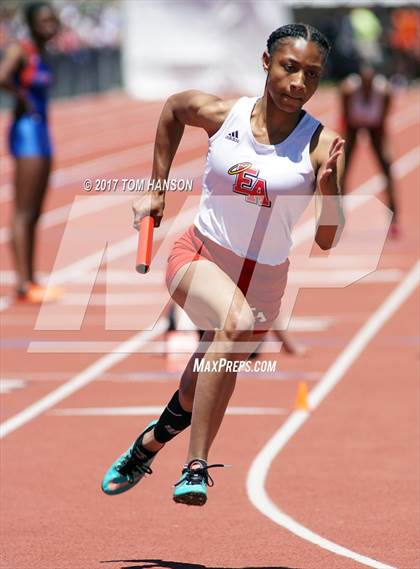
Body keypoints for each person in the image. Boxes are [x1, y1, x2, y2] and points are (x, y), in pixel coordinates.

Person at [102, 23, 345, 506]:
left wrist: (330, 188)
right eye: (289, 67)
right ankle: (195, 466)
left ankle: (147, 445)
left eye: (312, 75)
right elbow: (174, 108)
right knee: (230, 325)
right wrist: (157, 188)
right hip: (200, 254)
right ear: (266, 63)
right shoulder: (222, 114)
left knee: (196, 390)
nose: (299, 83)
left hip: (265, 286)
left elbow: (328, 238)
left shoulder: (322, 144)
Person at [0, 2, 62, 302]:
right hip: (27, 133)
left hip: (42, 131)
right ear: (31, 23)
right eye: (44, 20)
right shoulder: (21, 49)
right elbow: (2, 76)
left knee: (35, 210)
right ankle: (23, 283)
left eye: (53, 19)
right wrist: (20, 96)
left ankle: (32, 278)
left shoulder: (42, 51)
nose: (51, 24)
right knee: (24, 210)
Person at [339, 62, 398, 237]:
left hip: (375, 126)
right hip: (353, 125)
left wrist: (384, 145)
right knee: (342, 169)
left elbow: (384, 119)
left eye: (369, 82)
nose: (366, 85)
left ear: (373, 81)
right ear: (359, 80)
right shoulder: (348, 90)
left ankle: (394, 216)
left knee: (387, 167)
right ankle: (337, 215)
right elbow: (345, 116)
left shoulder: (384, 91)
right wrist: (345, 142)